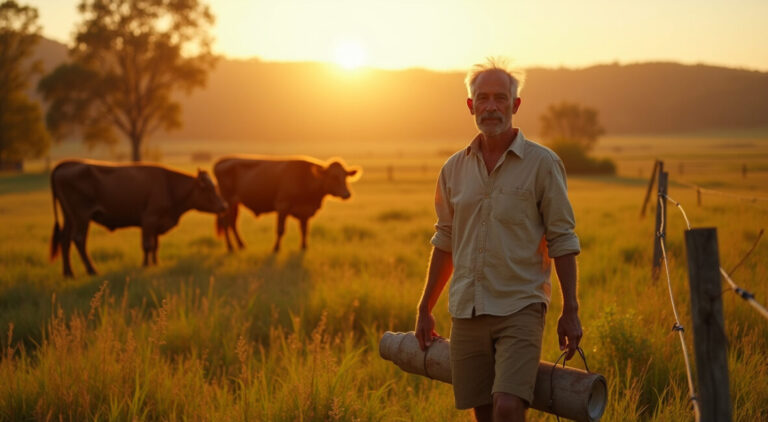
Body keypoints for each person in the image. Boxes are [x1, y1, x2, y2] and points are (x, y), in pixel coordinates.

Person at [415, 58, 582, 422]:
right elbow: (444, 240)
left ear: (515, 105)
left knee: (508, 407)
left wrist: (571, 310)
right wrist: (425, 306)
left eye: (500, 98)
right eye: (483, 98)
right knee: (485, 412)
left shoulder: (542, 164)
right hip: (467, 309)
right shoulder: (453, 169)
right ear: (471, 105)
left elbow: (562, 239)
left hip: (520, 306)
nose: (491, 106)